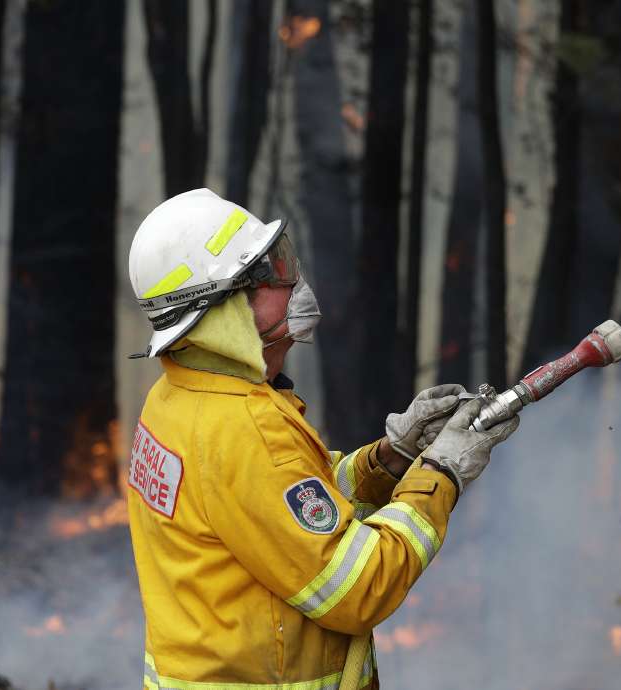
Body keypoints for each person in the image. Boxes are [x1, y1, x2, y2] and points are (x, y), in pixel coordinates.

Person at [125, 189, 518, 690]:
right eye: (268, 274)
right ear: (224, 312)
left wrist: (392, 457)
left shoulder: (177, 397)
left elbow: (279, 500)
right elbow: (359, 589)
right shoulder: (243, 427)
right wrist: (440, 473)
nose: (291, 281)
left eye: (281, 258)